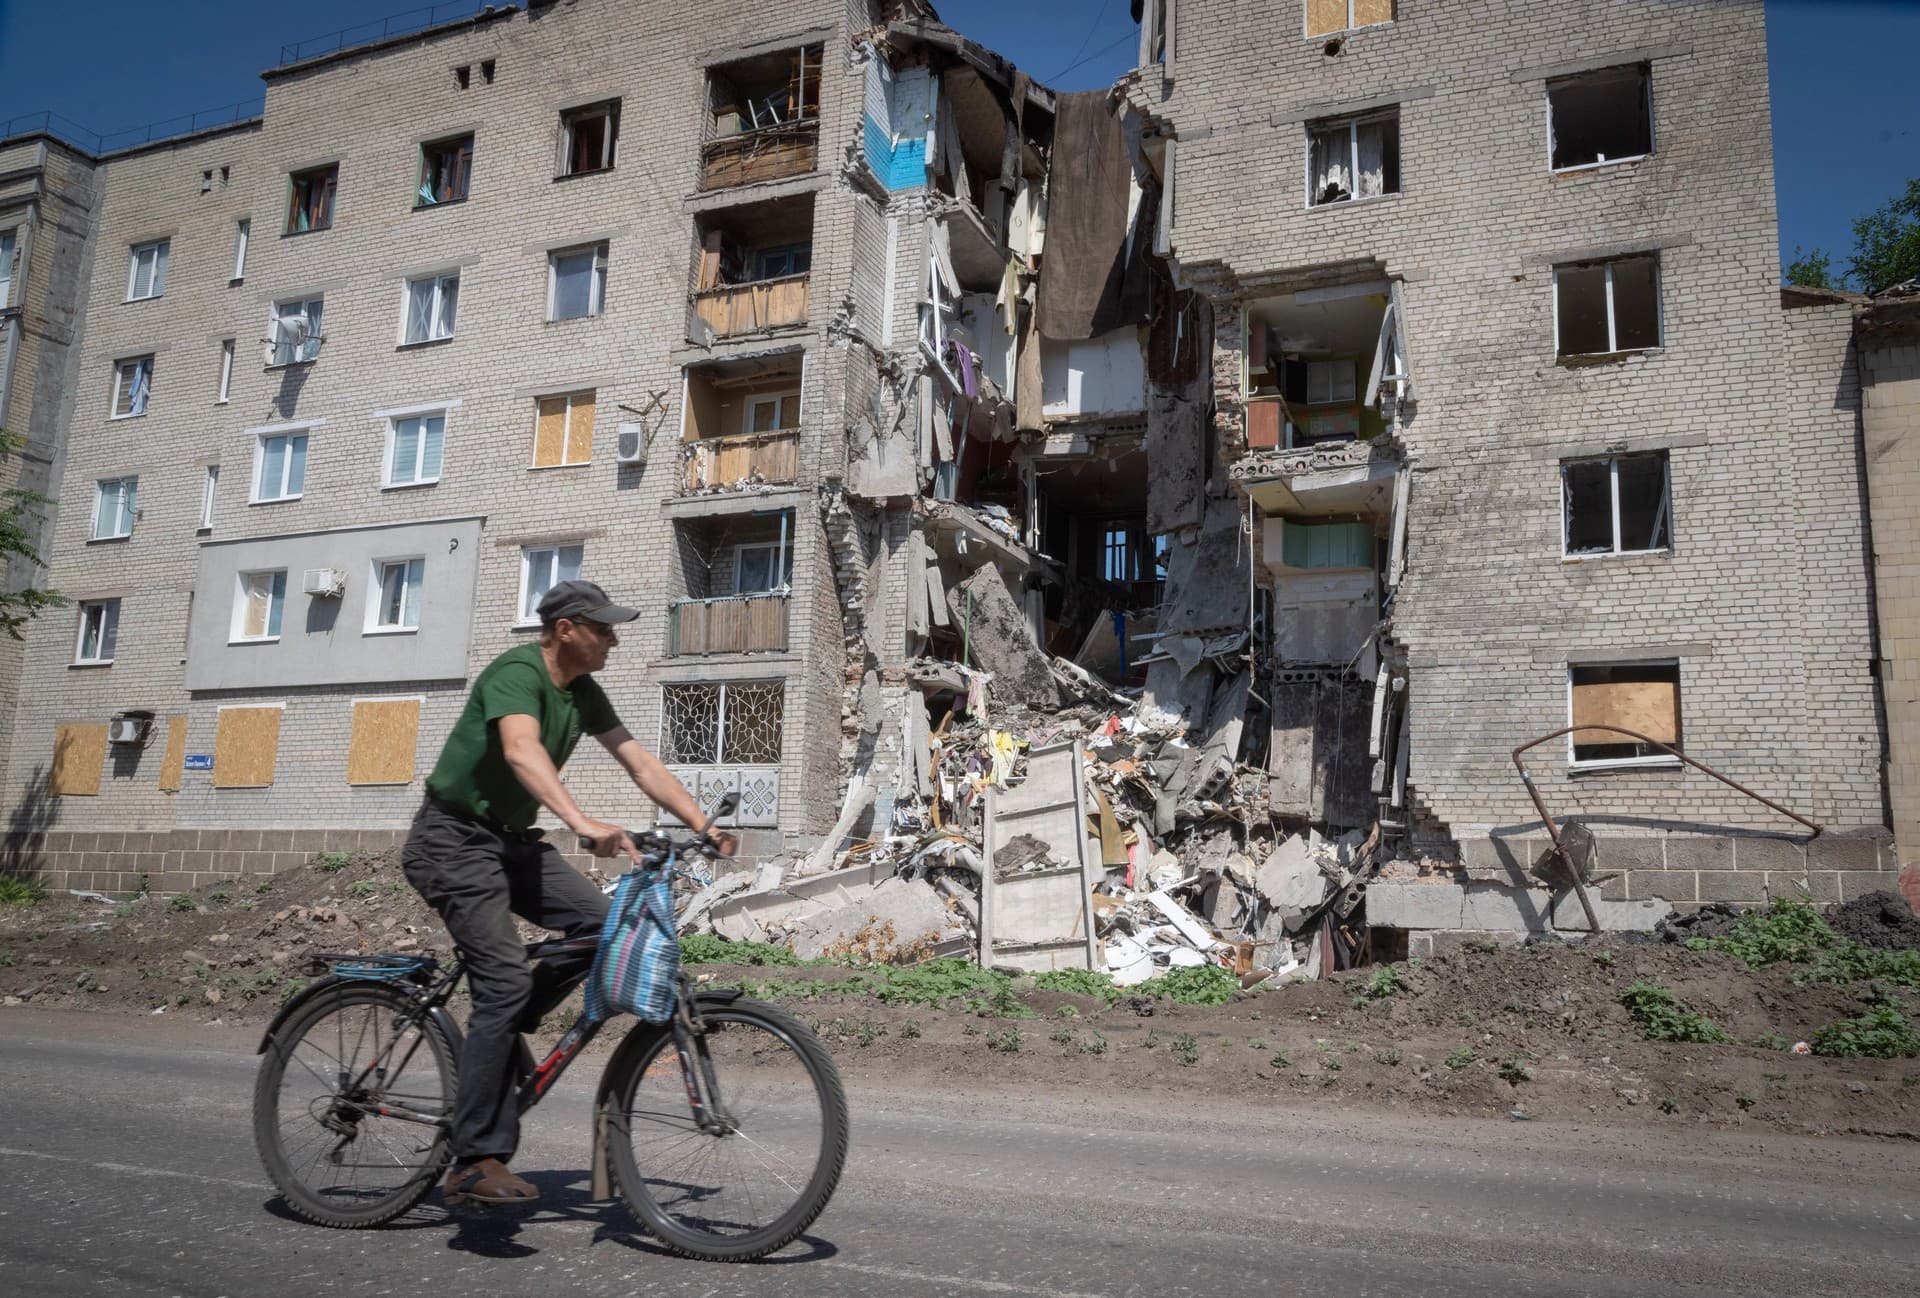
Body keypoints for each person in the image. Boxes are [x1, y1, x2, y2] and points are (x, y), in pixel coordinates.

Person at [402, 579, 736, 1207]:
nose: (613, 638)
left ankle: (504, 1028)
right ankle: (475, 1159)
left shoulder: (582, 692)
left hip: (509, 841)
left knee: (606, 928)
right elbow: (521, 750)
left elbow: (640, 762)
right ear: (565, 630)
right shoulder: (516, 673)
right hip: (451, 840)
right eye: (603, 628)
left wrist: (703, 825)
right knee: (500, 982)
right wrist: (582, 823)